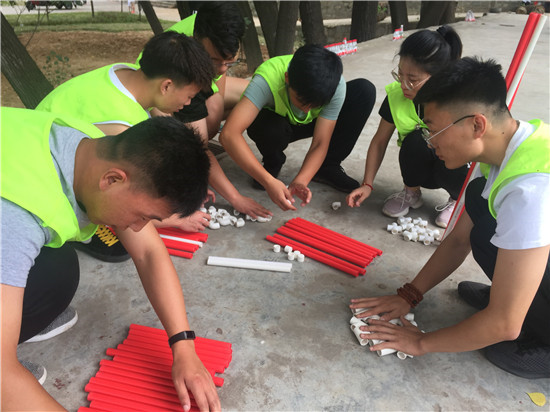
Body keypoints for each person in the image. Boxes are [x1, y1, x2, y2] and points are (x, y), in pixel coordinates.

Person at [1, 108, 221, 410]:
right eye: (143, 216)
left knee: (59, 270)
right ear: (113, 180)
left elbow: (149, 253)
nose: (139, 227)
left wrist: (183, 346)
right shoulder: (15, 216)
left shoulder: (86, 144)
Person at [349, 57, 550, 379]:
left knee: (500, 339)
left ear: (477, 125)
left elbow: (505, 325)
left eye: (434, 130)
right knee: (481, 209)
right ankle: (515, 294)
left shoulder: (533, 188)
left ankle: (536, 325)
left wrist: (422, 343)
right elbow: (458, 239)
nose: (431, 143)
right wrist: (409, 294)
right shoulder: (504, 148)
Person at [141, 2, 271, 220]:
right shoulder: (174, 65)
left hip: (182, 85)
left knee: (256, 96)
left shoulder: (216, 35)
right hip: (162, 98)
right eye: (215, 61)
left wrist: (213, 115)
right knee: (182, 146)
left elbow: (216, 90)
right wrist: (233, 197)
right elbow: (196, 148)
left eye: (229, 63)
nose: (221, 69)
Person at [219, 44, 376, 211]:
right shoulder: (266, 79)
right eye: (301, 101)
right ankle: (273, 160)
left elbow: (320, 142)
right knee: (266, 126)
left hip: (311, 125)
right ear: (287, 78)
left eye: (315, 105)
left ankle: (327, 167)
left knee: (363, 91)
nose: (306, 109)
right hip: (277, 126)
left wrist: (301, 181)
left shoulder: (334, 86)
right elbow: (229, 134)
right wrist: (268, 180)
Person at [346, 26, 466, 228]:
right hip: (420, 169)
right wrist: (367, 184)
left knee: (458, 146)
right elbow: (379, 141)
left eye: (413, 80)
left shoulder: (461, 100)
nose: (403, 84)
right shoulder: (396, 96)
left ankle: (457, 201)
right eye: (400, 74)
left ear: (438, 77)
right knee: (416, 139)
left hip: (453, 169)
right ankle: (411, 192)